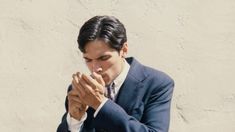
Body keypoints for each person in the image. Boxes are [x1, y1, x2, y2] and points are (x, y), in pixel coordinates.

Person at [57, 15, 174, 132]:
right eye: (88, 60)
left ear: (124, 50)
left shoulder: (157, 83)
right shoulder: (81, 89)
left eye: (103, 58)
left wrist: (101, 104)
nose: (95, 68)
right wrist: (74, 121)